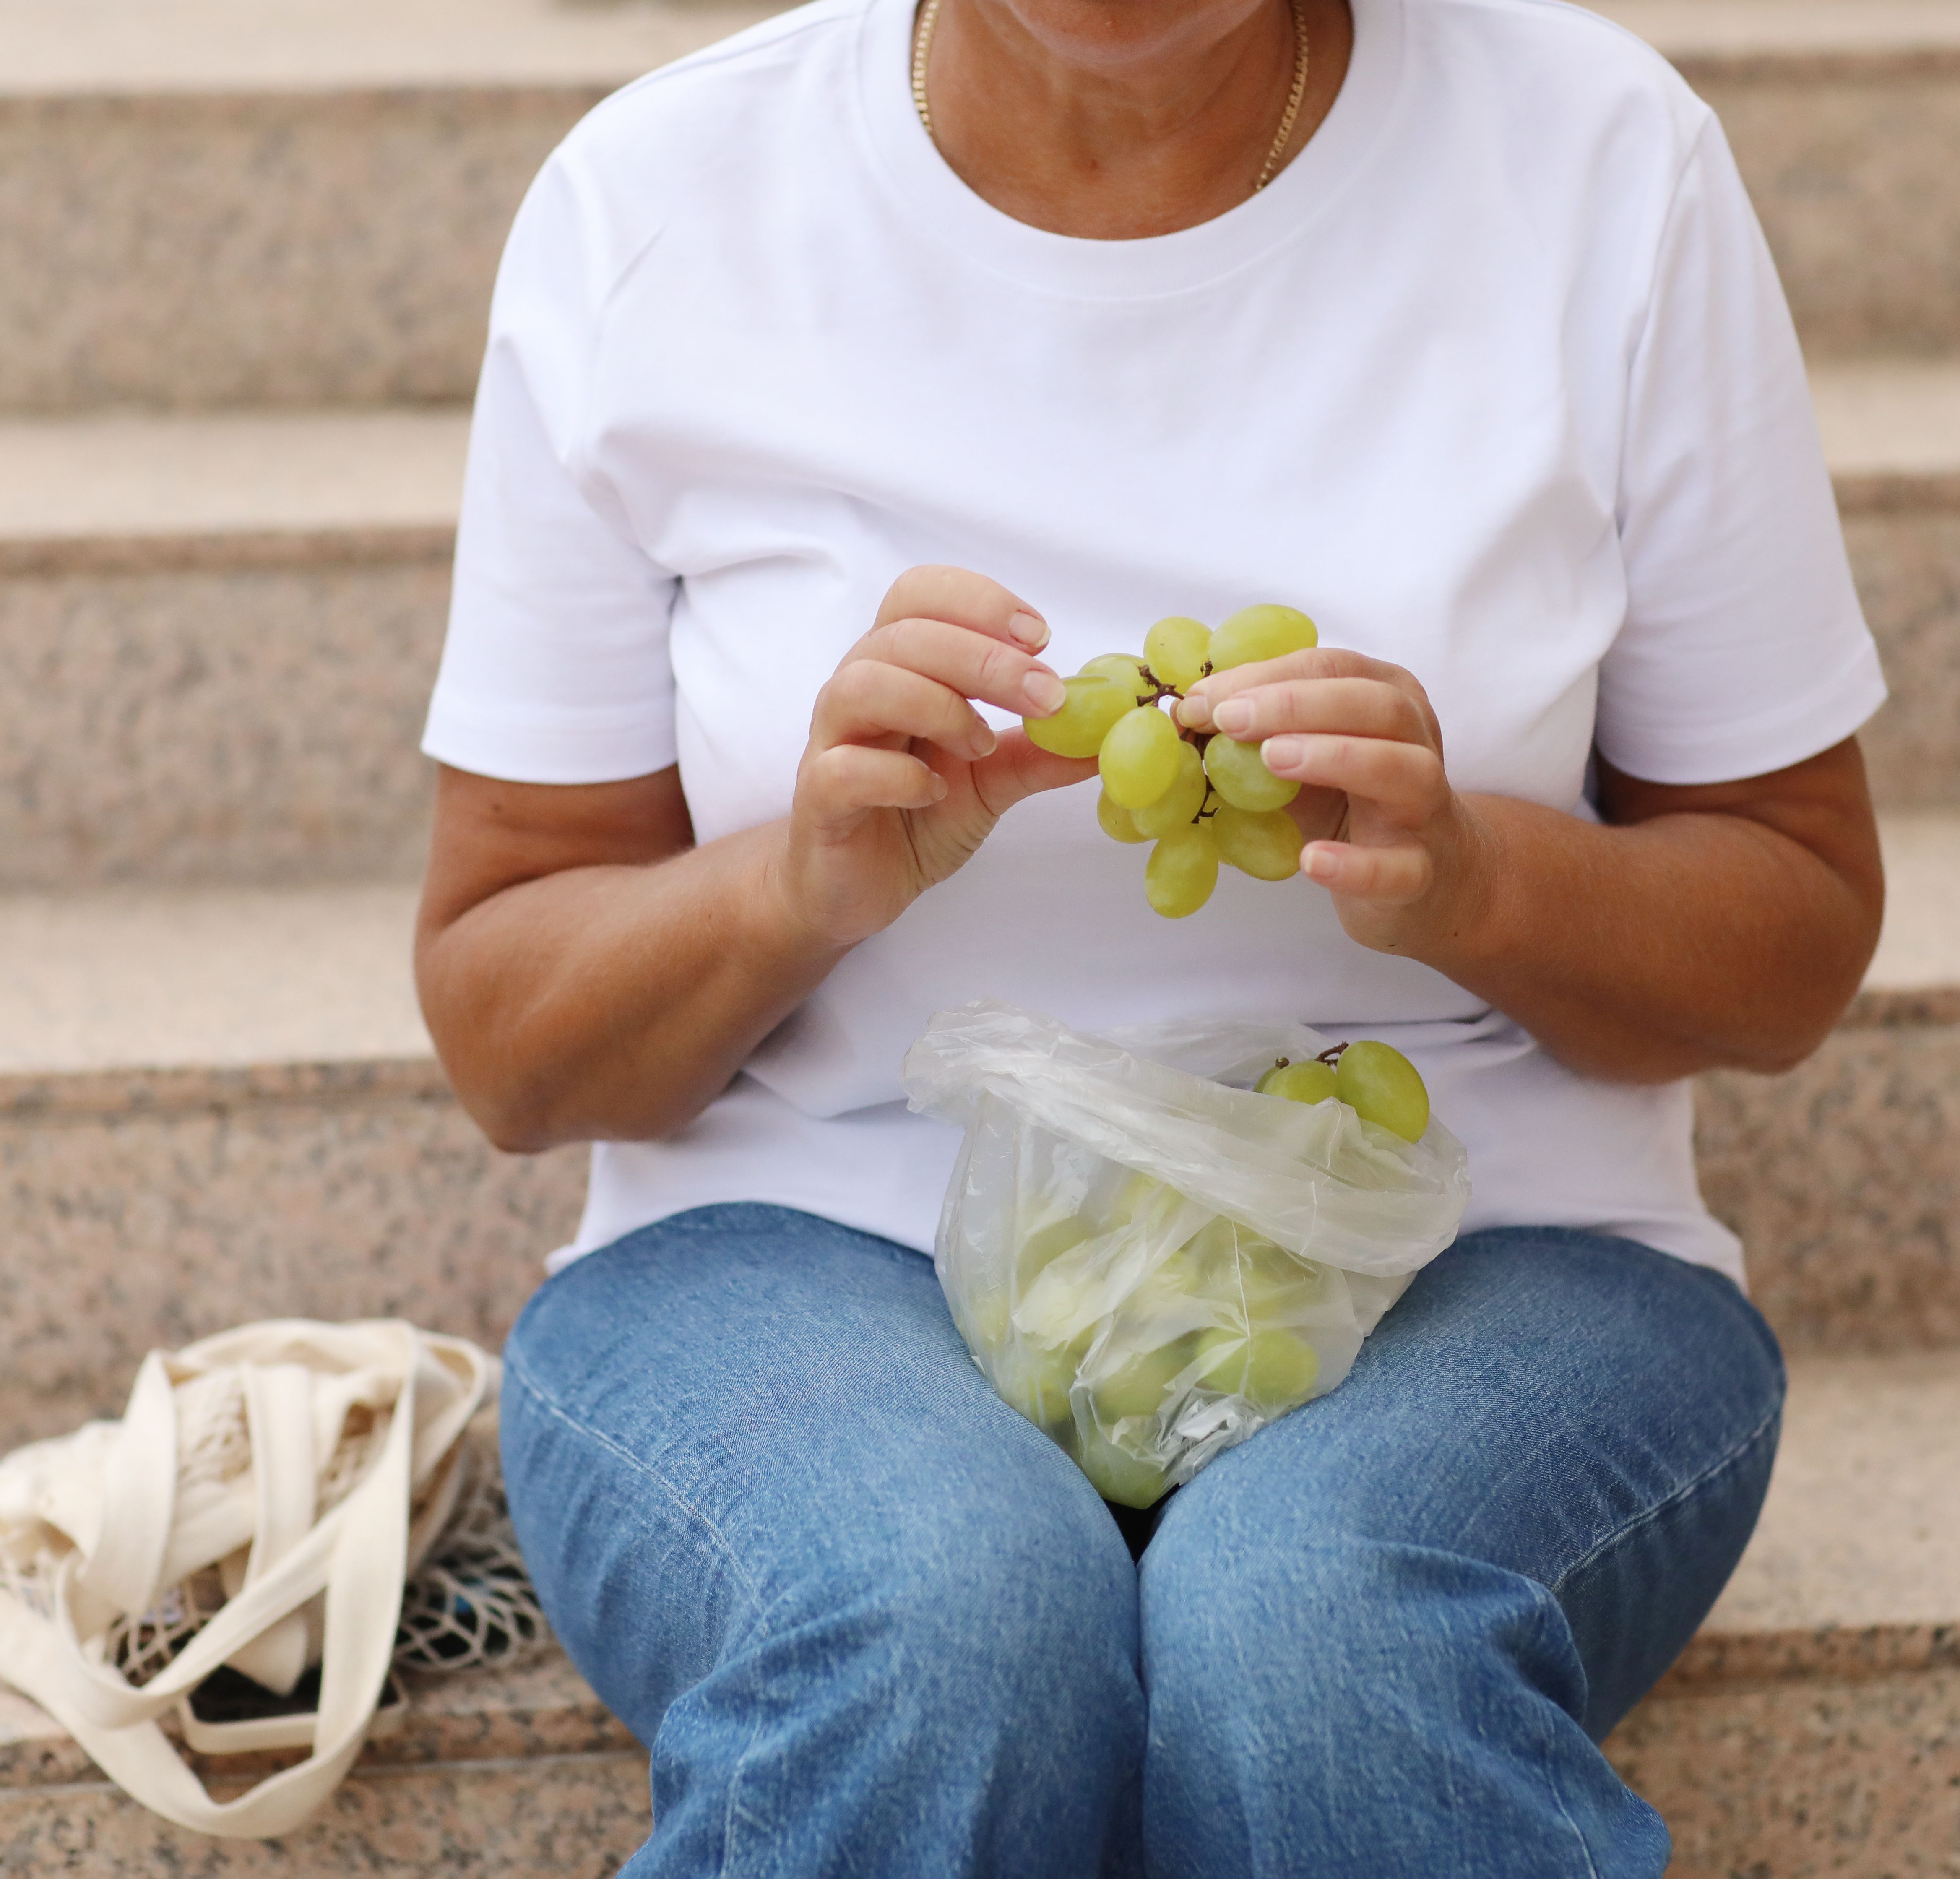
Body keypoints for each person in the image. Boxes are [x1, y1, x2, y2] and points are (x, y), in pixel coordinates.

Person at [412, 0, 1885, 1866]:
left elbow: (1795, 924)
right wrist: (797, 886)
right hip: (805, 1253)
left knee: (1314, 1629)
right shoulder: (660, 199)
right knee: (942, 1626)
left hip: (1486, 1255)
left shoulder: (1604, 160)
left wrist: (1479, 881)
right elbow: (509, 1034)